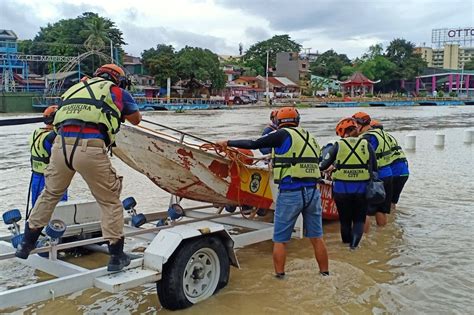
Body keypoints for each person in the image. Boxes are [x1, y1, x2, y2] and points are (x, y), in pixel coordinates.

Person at [16, 64, 142, 272]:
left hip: (60, 146)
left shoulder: (74, 88)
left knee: (49, 194)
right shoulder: (117, 91)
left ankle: (26, 244)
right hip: (89, 148)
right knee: (109, 201)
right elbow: (136, 120)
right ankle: (117, 257)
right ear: (117, 79)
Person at [216, 107, 329, 278]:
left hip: (291, 192)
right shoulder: (310, 137)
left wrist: (228, 142)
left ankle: (279, 277)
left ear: (277, 122)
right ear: (298, 121)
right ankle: (325, 274)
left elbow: (254, 143)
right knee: (316, 237)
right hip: (313, 193)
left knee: (280, 239)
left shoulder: (282, 134)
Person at [320, 118, 377, 249]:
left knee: (345, 221)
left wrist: (335, 166)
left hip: (341, 190)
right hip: (361, 190)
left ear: (342, 133)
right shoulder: (366, 145)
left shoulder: (338, 145)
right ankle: (353, 248)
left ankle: (345, 246)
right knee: (358, 220)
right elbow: (374, 168)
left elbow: (323, 165)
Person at [352, 112, 393, 231]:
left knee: (364, 211)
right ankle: (382, 237)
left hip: (374, 178)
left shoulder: (367, 138)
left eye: (355, 125)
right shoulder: (383, 134)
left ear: (361, 125)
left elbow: (360, 157)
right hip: (388, 175)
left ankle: (364, 242)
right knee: (381, 210)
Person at [28, 105, 67, 209]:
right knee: (58, 212)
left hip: (36, 177)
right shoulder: (52, 137)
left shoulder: (35, 133)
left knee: (36, 211)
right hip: (52, 180)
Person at [370, 120, 409, 211]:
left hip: (393, 172)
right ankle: (392, 221)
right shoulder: (389, 136)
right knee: (392, 203)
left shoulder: (375, 138)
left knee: (381, 204)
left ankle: (388, 223)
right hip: (404, 172)